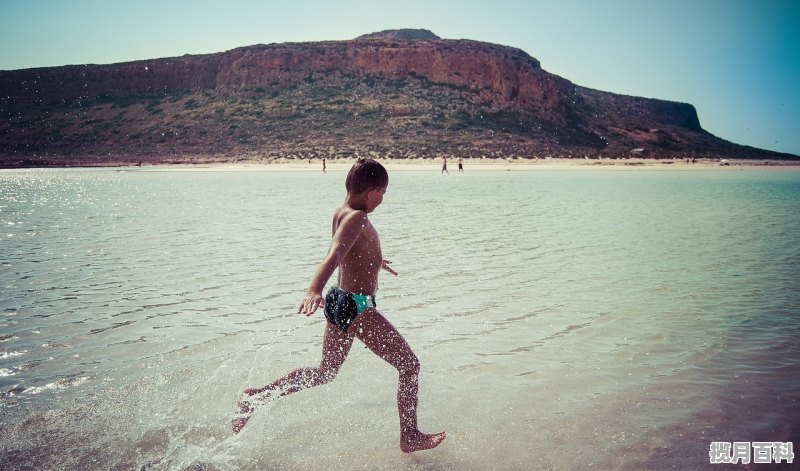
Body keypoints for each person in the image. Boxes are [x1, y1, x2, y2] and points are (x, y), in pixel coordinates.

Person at [233, 158, 446, 453]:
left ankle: (255, 396)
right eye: (382, 194)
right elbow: (333, 255)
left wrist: (375, 262)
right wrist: (313, 290)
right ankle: (409, 435)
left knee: (325, 372)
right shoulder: (357, 217)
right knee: (410, 365)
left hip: (340, 301)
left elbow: (348, 250)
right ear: (371, 192)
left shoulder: (341, 212)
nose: (382, 200)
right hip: (357, 307)